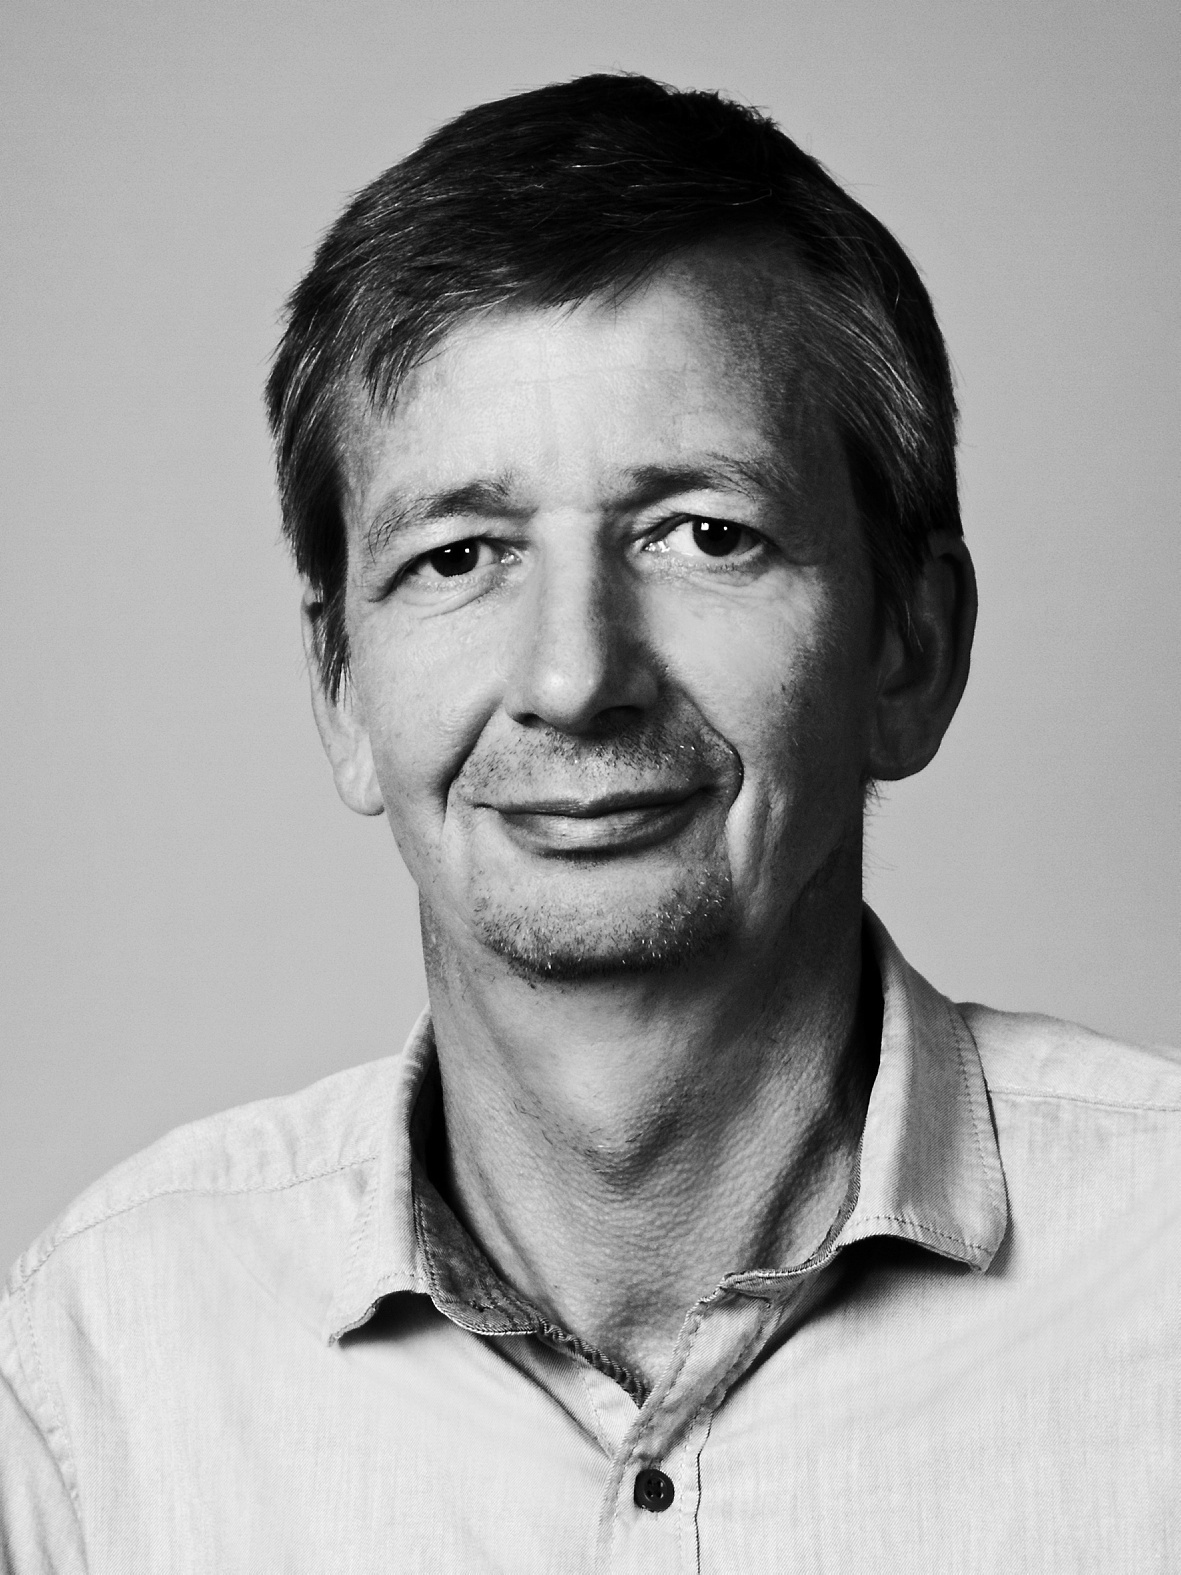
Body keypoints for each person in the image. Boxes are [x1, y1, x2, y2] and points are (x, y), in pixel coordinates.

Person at [2, 72, 1177, 1574]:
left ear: (911, 647)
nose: (574, 678)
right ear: (341, 687)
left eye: (703, 534)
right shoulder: (96, 1375)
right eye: (460, 554)